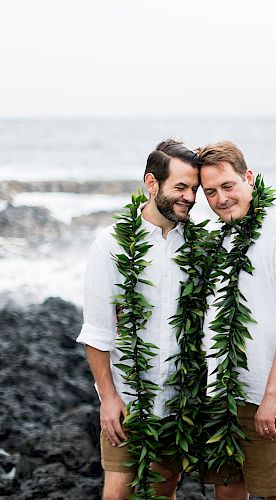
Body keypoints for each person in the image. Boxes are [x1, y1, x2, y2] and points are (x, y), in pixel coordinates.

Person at [76, 139, 199, 500]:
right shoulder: (111, 245)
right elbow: (97, 330)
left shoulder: (198, 246)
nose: (190, 197)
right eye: (180, 187)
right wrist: (108, 398)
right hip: (129, 400)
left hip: (178, 402)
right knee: (118, 492)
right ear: (151, 183)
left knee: (165, 491)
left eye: (193, 189)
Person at [197, 141, 276, 500]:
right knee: (228, 490)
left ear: (248, 177)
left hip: (271, 396)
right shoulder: (225, 238)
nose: (221, 199)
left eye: (228, 186)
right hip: (225, 392)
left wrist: (272, 396)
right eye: (211, 192)